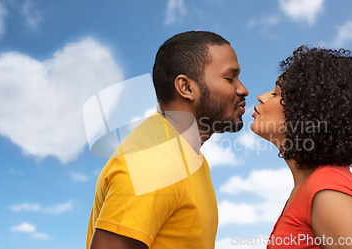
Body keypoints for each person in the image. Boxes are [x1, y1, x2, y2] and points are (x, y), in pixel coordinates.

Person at [87, 31, 248, 249]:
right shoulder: (153, 161)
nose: (243, 89)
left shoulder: (184, 155)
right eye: (230, 78)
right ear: (186, 88)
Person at [251, 46, 352, 249]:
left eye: (276, 93)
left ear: (307, 111)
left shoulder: (327, 187)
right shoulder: (309, 188)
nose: (262, 97)